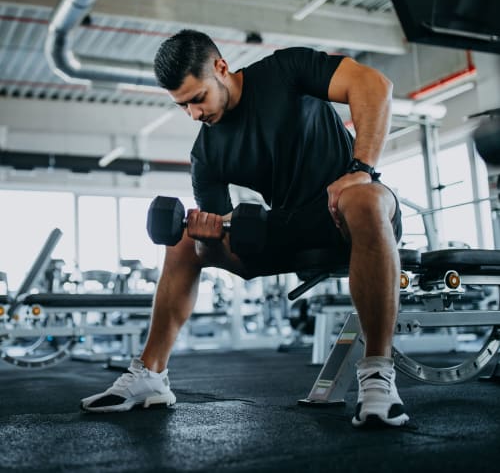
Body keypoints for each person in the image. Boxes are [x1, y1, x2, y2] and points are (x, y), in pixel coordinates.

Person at [81, 29, 409, 428]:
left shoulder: (285, 70)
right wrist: (206, 234)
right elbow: (222, 238)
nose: (195, 115)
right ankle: (150, 375)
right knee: (184, 240)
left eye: (197, 99)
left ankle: (377, 373)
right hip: (290, 230)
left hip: (350, 214)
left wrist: (360, 171)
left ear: (221, 67)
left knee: (365, 197)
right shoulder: (207, 153)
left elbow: (374, 84)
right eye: (183, 107)